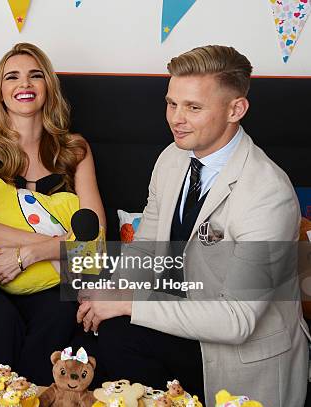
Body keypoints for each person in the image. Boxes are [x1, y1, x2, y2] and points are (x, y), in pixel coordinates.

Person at [76, 45, 309, 405]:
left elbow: (237, 319)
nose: (176, 119)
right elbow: (147, 247)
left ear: (236, 109)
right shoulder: (172, 157)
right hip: (183, 320)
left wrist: (128, 304)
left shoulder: (268, 193)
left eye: (193, 107)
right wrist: (110, 291)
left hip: (238, 352)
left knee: (121, 323)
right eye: (172, 103)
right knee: (98, 325)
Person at [0, 42, 106, 385]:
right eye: (13, 77)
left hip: (50, 280)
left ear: (48, 87)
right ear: (1, 92)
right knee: (0, 322)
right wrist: (51, 243)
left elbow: (94, 242)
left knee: (59, 313)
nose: (24, 84)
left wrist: (29, 254)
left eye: (35, 75)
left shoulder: (75, 149)